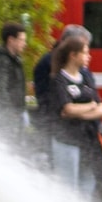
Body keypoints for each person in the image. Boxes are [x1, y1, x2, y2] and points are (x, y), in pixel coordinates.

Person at [45, 33, 102, 194]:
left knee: (88, 184)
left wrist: (81, 111)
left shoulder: (85, 78)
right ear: (73, 55)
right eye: (85, 53)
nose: (89, 56)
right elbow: (67, 109)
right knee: (68, 188)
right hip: (67, 142)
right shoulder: (58, 80)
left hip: (87, 141)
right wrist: (90, 106)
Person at [33, 24, 92, 166]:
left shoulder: (61, 63)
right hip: (57, 129)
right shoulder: (52, 63)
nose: (86, 53)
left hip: (67, 130)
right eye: (82, 47)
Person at [0, 22, 28, 149]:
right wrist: (10, 112)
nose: (25, 44)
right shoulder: (0, 60)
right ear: (11, 40)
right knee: (4, 149)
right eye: (22, 40)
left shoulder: (15, 60)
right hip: (3, 118)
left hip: (14, 116)